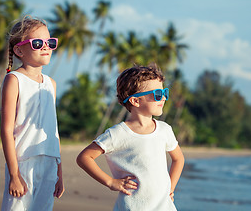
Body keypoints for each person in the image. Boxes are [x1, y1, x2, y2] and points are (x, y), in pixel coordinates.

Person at [77, 64, 185, 210]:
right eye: (158, 94)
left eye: (165, 92)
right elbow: (84, 157)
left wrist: (170, 189)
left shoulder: (165, 130)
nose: (164, 98)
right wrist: (110, 182)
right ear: (135, 101)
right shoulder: (118, 134)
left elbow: (178, 159)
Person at [0, 15, 64, 211]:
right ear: (19, 49)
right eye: (37, 43)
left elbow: (54, 131)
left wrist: (60, 172)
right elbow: (6, 129)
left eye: (50, 42)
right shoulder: (14, 79)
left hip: (50, 162)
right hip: (23, 162)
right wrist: (14, 174)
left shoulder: (50, 84)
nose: (45, 47)